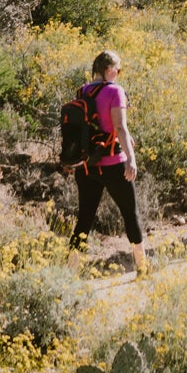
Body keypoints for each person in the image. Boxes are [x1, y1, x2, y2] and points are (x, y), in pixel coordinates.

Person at [70, 50, 146, 272]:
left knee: (84, 219)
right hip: (113, 163)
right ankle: (142, 268)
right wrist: (131, 158)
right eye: (118, 69)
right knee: (130, 215)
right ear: (108, 70)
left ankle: (70, 271)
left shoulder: (83, 90)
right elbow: (120, 127)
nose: (119, 74)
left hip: (87, 165)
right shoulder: (115, 91)